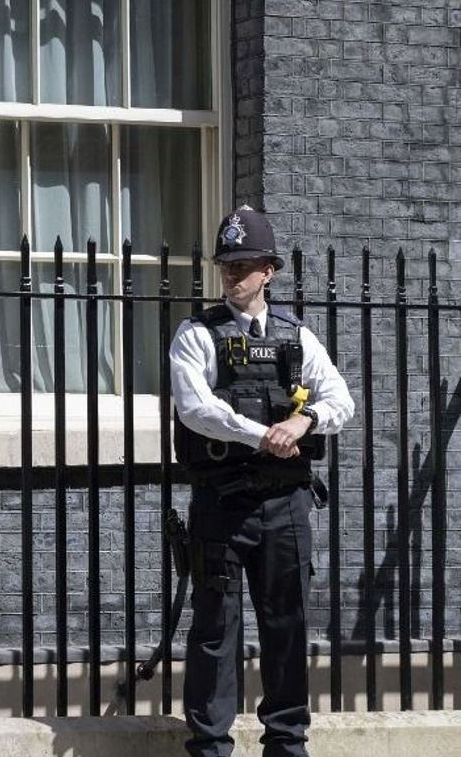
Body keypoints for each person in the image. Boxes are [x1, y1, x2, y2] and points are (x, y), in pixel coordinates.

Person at [169, 206, 355, 757]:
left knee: (287, 630)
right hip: (222, 508)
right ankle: (209, 748)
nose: (234, 274)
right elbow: (196, 409)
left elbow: (340, 398)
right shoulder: (196, 334)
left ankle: (287, 743)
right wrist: (262, 435)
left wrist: (304, 420)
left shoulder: (297, 336)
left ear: (268, 270)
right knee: (214, 635)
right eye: (227, 264)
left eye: (245, 264)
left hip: (285, 506)